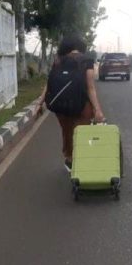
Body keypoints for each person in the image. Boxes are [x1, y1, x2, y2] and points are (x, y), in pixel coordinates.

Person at [37, 35, 105, 172]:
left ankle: (69, 159)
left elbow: (49, 83)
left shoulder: (58, 61)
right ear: (81, 47)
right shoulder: (86, 61)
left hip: (61, 105)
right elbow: (90, 87)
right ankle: (82, 161)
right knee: (82, 133)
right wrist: (97, 109)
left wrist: (40, 102)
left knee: (67, 132)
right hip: (82, 106)